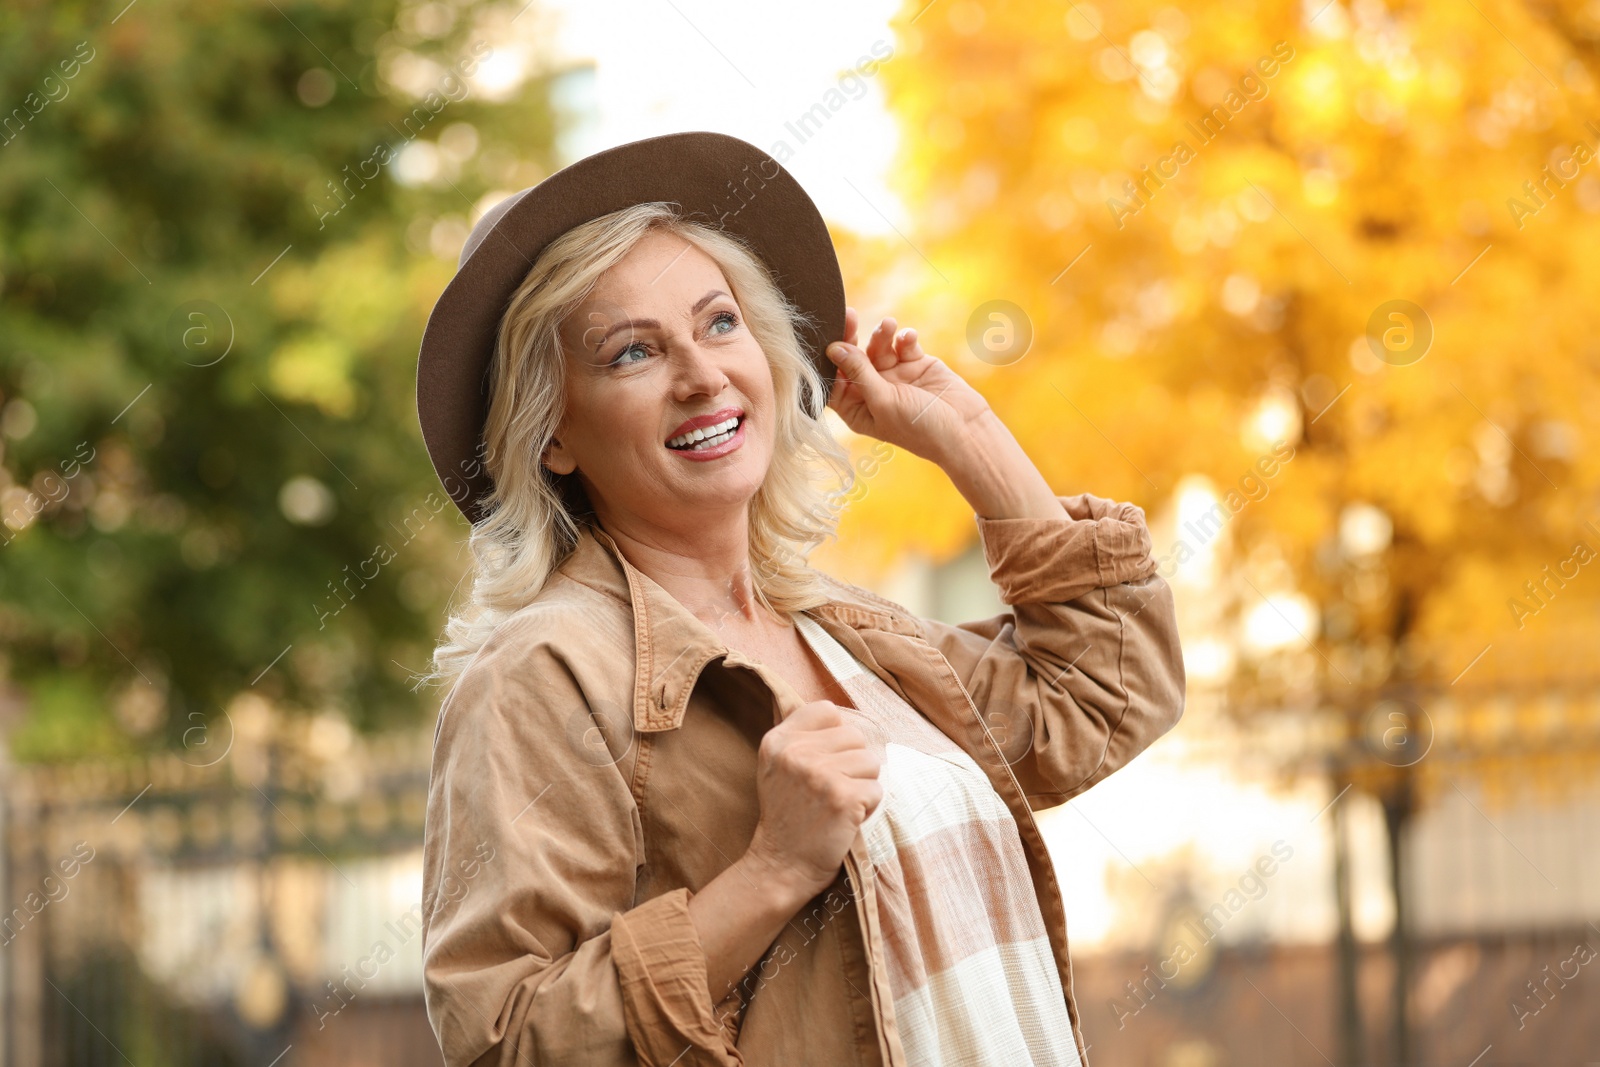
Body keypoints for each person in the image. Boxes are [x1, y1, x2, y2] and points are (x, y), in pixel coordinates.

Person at [414, 131, 1185, 1067]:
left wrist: (970, 440)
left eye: (719, 322)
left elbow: (1107, 694)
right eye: (630, 353)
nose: (702, 375)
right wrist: (773, 868)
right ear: (552, 434)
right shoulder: (544, 674)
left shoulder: (845, 633)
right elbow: (508, 1042)